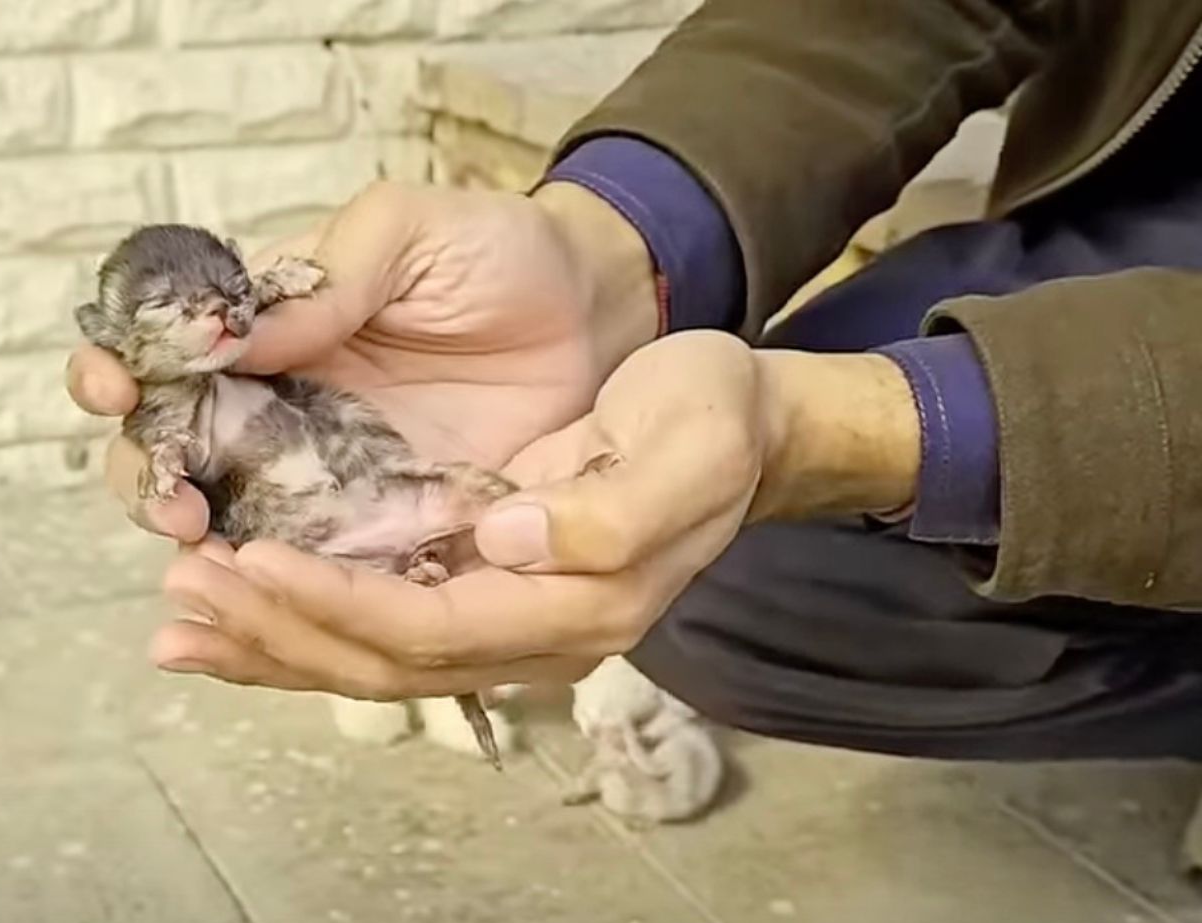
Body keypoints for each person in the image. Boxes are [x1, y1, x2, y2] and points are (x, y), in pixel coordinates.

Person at [65, 1, 1202, 855]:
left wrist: (868, 429)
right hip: (1144, 217)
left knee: (728, 504)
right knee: (704, 558)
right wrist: (617, 244)